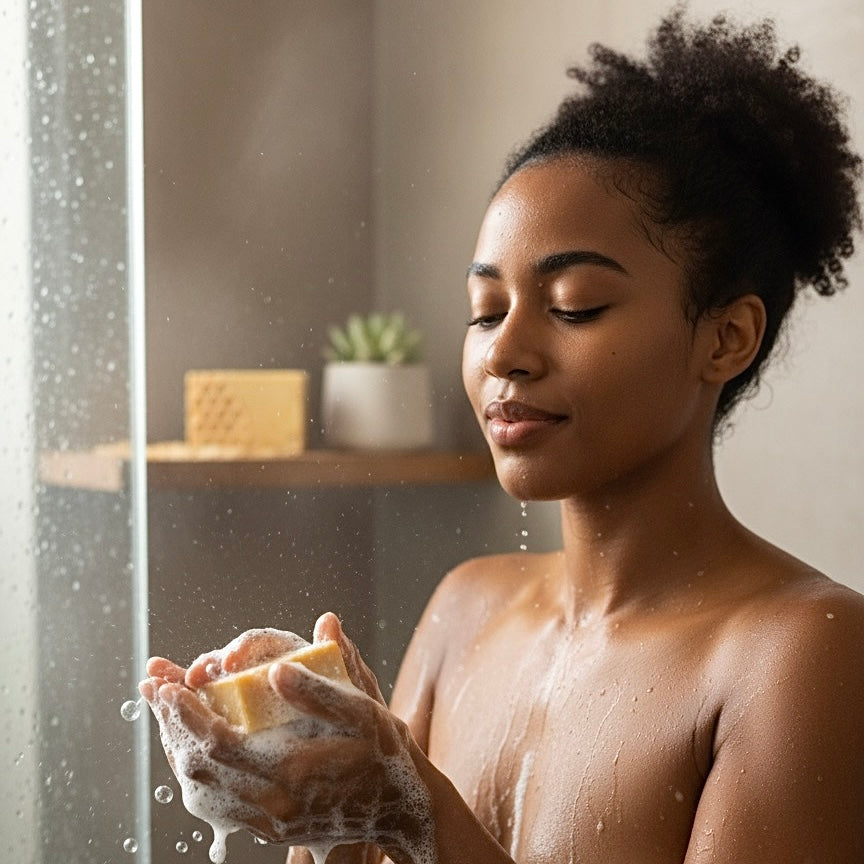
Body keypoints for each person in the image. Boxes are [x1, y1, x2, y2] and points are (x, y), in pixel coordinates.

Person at [141, 7, 864, 863]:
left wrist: (414, 810)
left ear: (725, 337)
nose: (506, 354)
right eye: (486, 312)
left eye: (575, 307)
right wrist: (327, 789)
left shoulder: (802, 653)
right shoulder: (467, 608)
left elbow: (423, 829)